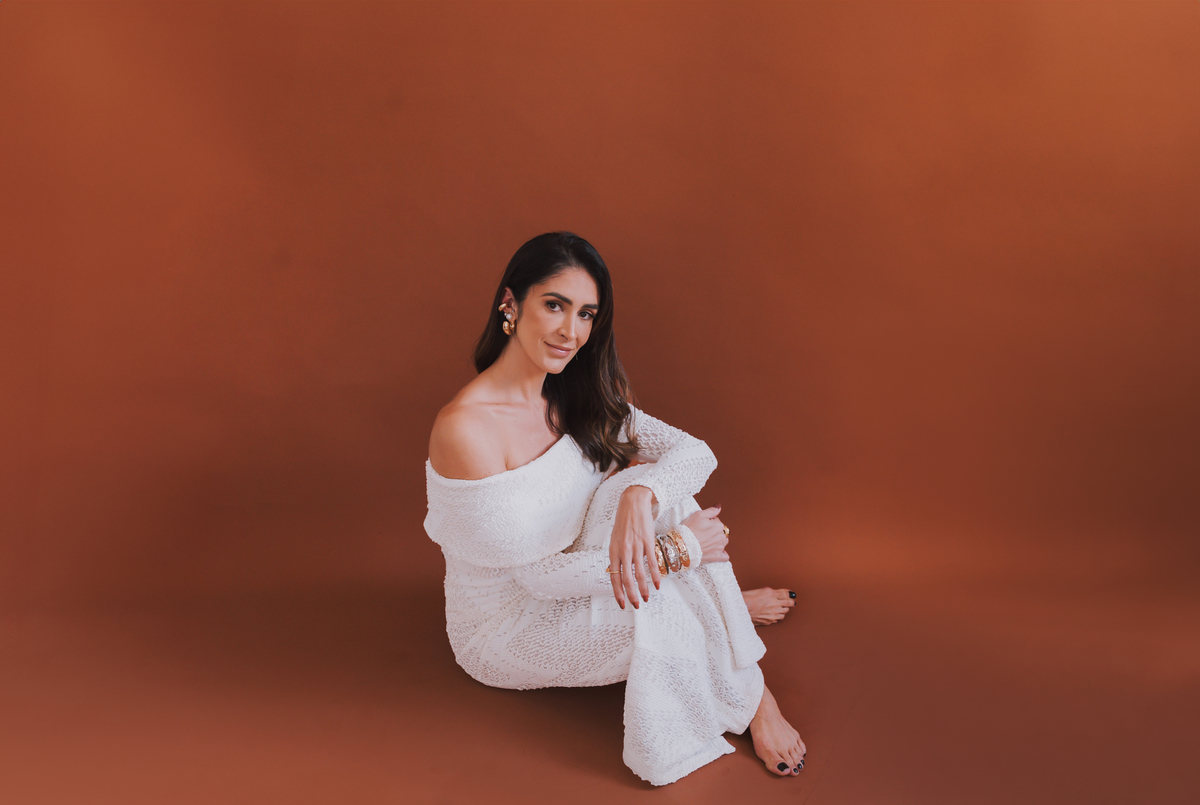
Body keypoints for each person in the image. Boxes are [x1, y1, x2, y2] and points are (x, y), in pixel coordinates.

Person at [423, 232, 806, 785]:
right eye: (554, 305)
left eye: (586, 314)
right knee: (663, 607)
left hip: (581, 564)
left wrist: (638, 494)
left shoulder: (577, 393)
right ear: (511, 304)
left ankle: (712, 610)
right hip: (510, 625)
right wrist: (680, 551)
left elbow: (696, 453)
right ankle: (756, 697)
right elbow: (538, 579)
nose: (570, 331)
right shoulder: (467, 429)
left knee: (658, 486)